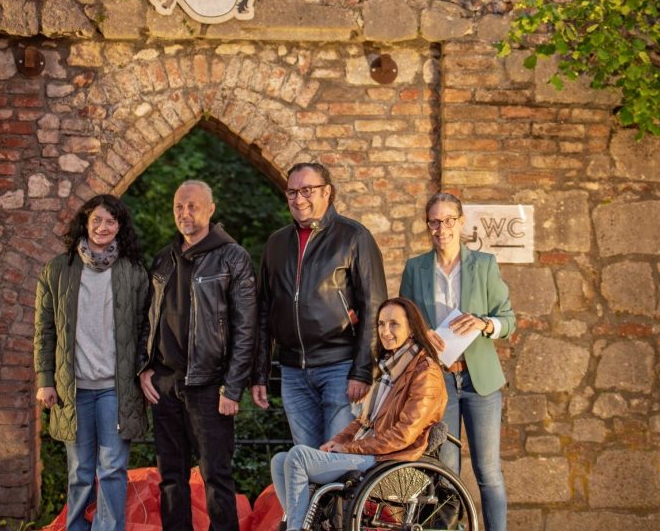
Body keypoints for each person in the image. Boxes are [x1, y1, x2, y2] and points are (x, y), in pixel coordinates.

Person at [137, 179, 257, 531]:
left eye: (192, 206)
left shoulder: (233, 257)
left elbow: (245, 327)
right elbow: (147, 320)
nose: (184, 213)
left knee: (216, 476)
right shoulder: (163, 259)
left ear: (210, 209)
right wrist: (145, 369)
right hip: (166, 384)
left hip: (211, 385)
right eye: (178, 206)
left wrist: (233, 387)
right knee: (170, 477)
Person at [270, 297, 447, 531]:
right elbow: (364, 422)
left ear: (412, 328)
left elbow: (403, 436)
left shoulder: (426, 373)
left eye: (394, 324)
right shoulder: (389, 367)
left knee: (299, 456)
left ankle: (297, 528)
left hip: (394, 460)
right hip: (372, 453)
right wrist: (338, 441)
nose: (385, 331)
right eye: (381, 324)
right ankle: (306, 525)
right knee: (280, 460)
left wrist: (349, 448)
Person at [400, 192, 516, 531]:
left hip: (480, 382)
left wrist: (483, 323)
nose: (442, 228)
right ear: (428, 226)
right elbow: (405, 322)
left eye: (448, 220)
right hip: (439, 382)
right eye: (434, 222)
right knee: (445, 471)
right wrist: (421, 334)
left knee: (488, 471)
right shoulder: (415, 268)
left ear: (461, 222)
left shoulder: (484, 265)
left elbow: (508, 319)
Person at [252, 161, 387, 447]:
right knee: (306, 458)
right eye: (291, 192)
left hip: (340, 367)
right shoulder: (276, 244)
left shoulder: (354, 237)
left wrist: (363, 370)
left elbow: (374, 306)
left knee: (336, 459)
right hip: (292, 371)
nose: (298, 198)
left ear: (328, 192)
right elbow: (263, 311)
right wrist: (260, 373)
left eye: (307, 190)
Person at [34, 194, 148, 531]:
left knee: (112, 469)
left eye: (110, 221)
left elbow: (145, 327)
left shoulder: (133, 272)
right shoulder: (58, 269)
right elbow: (44, 327)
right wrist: (45, 378)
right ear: (85, 223)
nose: (103, 227)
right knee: (80, 471)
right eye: (96, 220)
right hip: (74, 389)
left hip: (116, 388)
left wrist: (143, 370)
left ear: (119, 227)